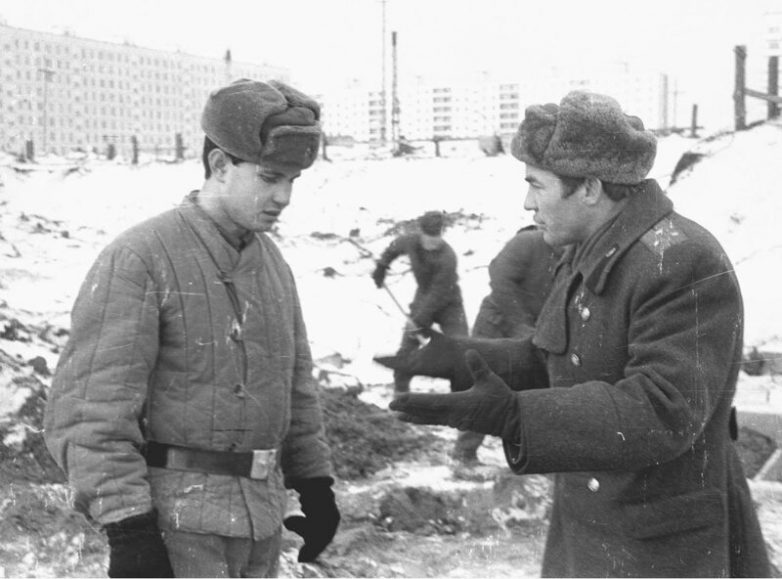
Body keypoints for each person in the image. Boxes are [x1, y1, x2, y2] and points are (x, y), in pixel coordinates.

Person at [380, 90, 771, 577]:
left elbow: (662, 408)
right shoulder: (591, 249)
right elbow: (555, 359)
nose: (527, 203)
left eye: (536, 185)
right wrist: (463, 357)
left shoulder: (680, 259)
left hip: (660, 546)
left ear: (588, 188)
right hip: (593, 524)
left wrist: (517, 416)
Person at [44, 79, 340, 578]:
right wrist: (128, 528)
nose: (284, 196)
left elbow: (296, 388)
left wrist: (315, 486)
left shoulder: (273, 265)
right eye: (270, 177)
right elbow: (91, 413)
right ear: (220, 165)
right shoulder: (140, 258)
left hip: (261, 528)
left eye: (293, 181)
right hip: (175, 532)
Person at [451, 225, 561, 466]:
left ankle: (526, 456)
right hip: (496, 323)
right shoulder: (527, 243)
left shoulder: (576, 256)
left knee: (531, 390)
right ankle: (464, 453)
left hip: (535, 329)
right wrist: (519, 324)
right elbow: (500, 279)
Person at [372, 210, 468, 393]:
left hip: (450, 303)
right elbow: (394, 247)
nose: (433, 243)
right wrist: (382, 266)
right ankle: (401, 396)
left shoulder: (448, 257)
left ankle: (462, 397)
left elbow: (438, 294)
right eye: (429, 239)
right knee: (406, 351)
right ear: (421, 233)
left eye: (436, 238)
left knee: (463, 351)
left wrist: (418, 320)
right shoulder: (411, 241)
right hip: (423, 296)